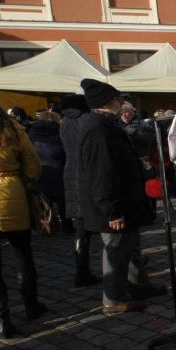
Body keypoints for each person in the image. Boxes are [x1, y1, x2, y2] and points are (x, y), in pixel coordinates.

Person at [78, 78, 161, 314]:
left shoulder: (106, 124)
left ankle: (139, 286)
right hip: (113, 206)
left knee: (130, 247)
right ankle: (113, 299)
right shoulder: (97, 129)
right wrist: (111, 209)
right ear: (106, 102)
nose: (121, 102)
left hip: (125, 201)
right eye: (117, 99)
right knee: (116, 250)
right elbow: (101, 173)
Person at [0, 104, 46, 338]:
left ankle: (2, 321)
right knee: (22, 255)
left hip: (9, 191)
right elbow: (33, 164)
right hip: (12, 193)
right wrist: (23, 179)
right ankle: (31, 306)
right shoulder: (12, 128)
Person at [59, 94, 101, 287]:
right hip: (88, 172)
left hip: (70, 173)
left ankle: (81, 270)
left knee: (81, 231)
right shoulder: (87, 120)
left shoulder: (63, 122)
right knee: (109, 223)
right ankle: (126, 263)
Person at [27, 109, 68, 231]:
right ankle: (67, 226)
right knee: (62, 202)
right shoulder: (61, 132)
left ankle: (46, 227)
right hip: (58, 170)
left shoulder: (30, 133)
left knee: (43, 201)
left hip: (39, 171)